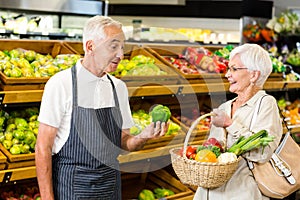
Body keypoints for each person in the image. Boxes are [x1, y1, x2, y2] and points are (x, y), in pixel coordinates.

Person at [35, 16, 169, 200]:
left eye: (122, 47)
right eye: (113, 46)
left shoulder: (118, 88)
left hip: (109, 186)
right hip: (71, 187)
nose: (121, 55)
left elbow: (124, 142)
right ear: (90, 47)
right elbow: (43, 148)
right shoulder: (61, 84)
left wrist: (143, 136)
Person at [193, 43, 283, 200]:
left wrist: (230, 124)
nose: (227, 74)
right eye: (228, 69)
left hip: (240, 194)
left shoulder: (266, 104)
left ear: (254, 75)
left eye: (234, 69)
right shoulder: (224, 107)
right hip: (206, 194)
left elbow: (264, 153)